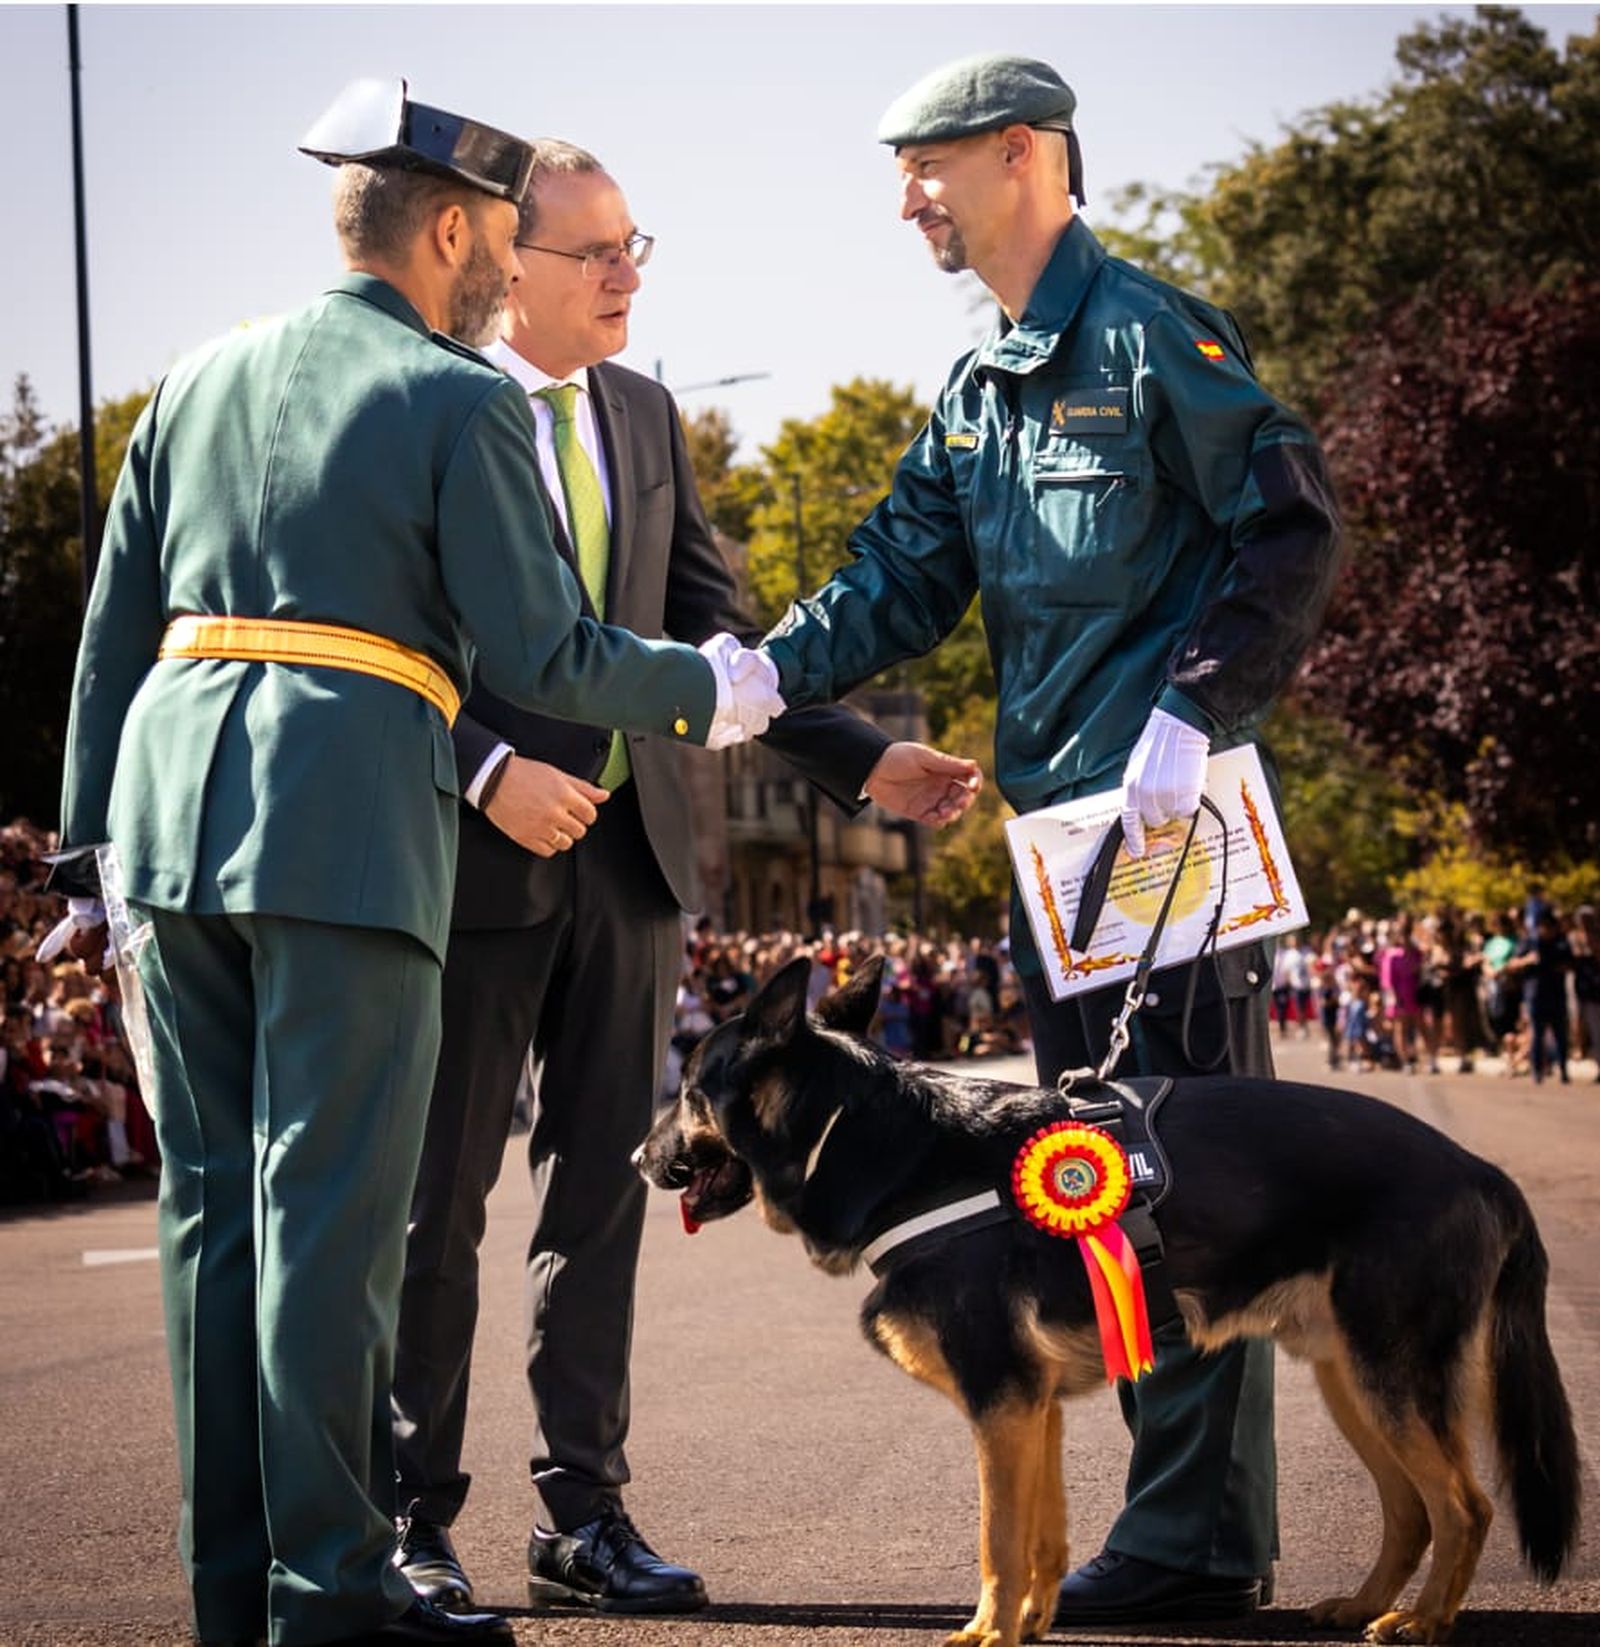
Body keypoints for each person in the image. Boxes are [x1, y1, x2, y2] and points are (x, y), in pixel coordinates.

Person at [46, 80, 785, 1647]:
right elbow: (542, 645)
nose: (506, 274)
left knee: (210, 1222)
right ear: (451, 230)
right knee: (328, 1219)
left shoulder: (196, 377)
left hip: (173, 832)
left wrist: (83, 858)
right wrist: (705, 690)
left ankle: (229, 1592)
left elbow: (111, 634)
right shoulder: (459, 398)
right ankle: (333, 1589)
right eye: (505, 243)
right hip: (345, 831)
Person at [757, 54, 1340, 1625]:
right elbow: (896, 578)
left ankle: (1197, 1538)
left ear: (1022, 155)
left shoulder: (1152, 334)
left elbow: (1293, 521)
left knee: (1178, 1168)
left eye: (926, 166)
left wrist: (1198, 706)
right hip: (1057, 851)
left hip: (1165, 822)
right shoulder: (978, 385)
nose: (905, 199)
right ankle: (1180, 1532)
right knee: (1092, 1174)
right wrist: (762, 672)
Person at [389, 138, 981, 1619]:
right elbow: (371, 637)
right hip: (474, 852)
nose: (626, 273)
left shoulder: (646, 415)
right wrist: (476, 766)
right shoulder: (417, 406)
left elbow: (718, 632)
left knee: (603, 1197)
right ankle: (410, 1521)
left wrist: (857, 761)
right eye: (594, 252)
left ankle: (581, 1520)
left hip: (636, 859)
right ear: (496, 264)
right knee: (438, 1204)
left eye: (636, 244)